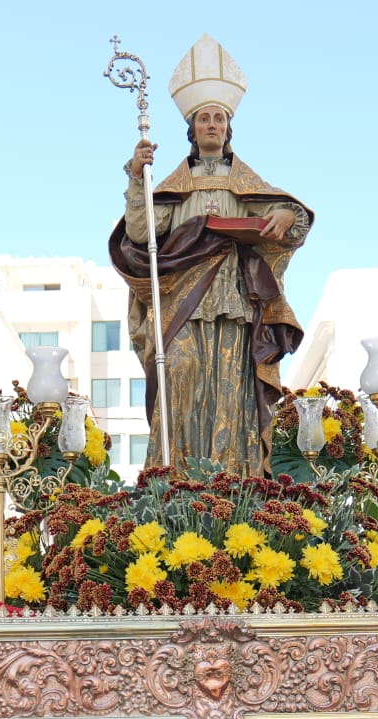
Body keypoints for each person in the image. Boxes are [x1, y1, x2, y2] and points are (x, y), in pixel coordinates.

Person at [109, 34, 312, 474]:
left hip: (233, 300)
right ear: (193, 128)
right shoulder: (171, 187)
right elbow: (141, 233)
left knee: (231, 387)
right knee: (179, 376)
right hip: (182, 300)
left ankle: (233, 482)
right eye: (204, 118)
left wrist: (281, 214)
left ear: (228, 127)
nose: (213, 125)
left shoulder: (245, 182)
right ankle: (176, 478)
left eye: (219, 118)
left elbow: (291, 223)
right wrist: (136, 176)